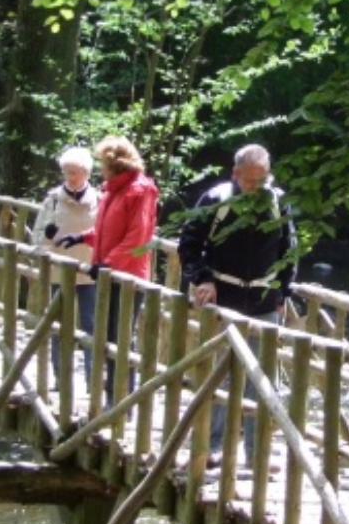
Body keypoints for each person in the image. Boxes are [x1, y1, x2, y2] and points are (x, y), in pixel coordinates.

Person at [177, 144, 298, 464]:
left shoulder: (278, 203)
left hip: (263, 302)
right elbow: (188, 244)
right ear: (235, 173)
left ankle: (255, 454)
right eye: (249, 180)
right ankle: (211, 447)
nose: (256, 187)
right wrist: (203, 278)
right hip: (223, 299)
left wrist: (283, 292)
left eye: (262, 179)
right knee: (219, 374)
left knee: (261, 380)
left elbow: (289, 250)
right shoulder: (216, 200)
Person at [55, 136, 158, 393]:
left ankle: (121, 397)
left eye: (103, 163)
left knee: (121, 335)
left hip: (128, 275)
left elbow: (137, 237)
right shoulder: (113, 189)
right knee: (108, 334)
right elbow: (108, 229)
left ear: (116, 164)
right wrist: (82, 238)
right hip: (109, 272)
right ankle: (113, 393)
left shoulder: (139, 190)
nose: (100, 168)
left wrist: (107, 263)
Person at [31, 145, 100, 378]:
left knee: (91, 324)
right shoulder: (52, 200)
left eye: (75, 172)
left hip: (89, 272)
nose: (70, 177)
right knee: (59, 324)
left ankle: (92, 378)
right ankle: (61, 377)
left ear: (87, 174)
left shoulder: (100, 200)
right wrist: (47, 245)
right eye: (67, 172)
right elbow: (39, 235)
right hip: (60, 272)